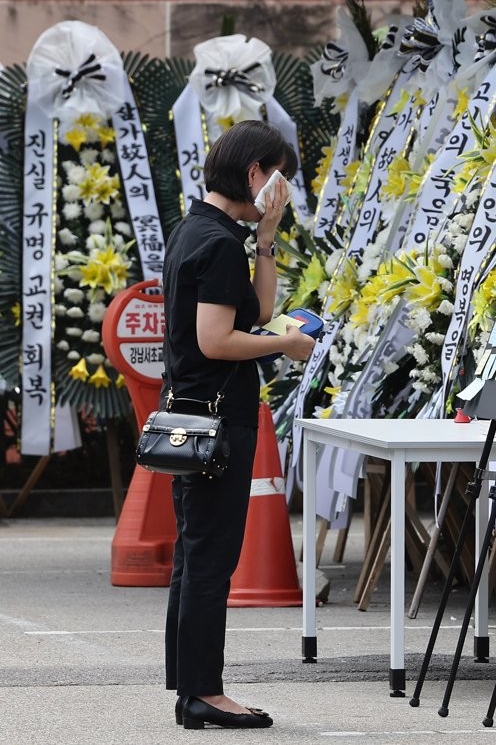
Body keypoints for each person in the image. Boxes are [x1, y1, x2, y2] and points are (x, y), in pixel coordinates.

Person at [161, 120, 315, 730]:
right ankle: (204, 693)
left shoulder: (204, 229)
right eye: (280, 179)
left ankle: (193, 689)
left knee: (197, 554)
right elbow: (217, 339)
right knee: (209, 558)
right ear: (256, 174)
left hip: (196, 414)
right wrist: (285, 345)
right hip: (217, 419)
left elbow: (260, 307)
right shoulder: (218, 241)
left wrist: (269, 235)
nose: (283, 191)